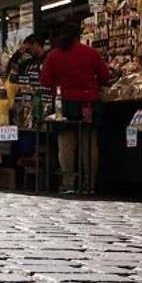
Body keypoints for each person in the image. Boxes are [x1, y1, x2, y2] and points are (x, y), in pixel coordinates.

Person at [38, 23, 111, 195]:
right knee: (89, 143)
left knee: (66, 144)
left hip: (64, 103)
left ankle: (68, 183)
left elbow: (45, 80)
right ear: (79, 36)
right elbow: (105, 77)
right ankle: (89, 183)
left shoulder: (54, 55)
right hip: (88, 103)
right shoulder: (91, 53)